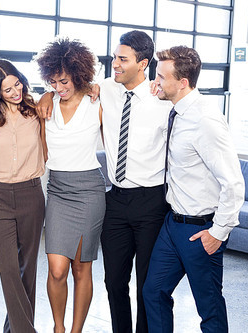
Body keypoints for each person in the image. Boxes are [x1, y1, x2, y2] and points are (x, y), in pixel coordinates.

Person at [143, 46, 245, 333]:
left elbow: (233, 182)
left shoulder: (205, 120)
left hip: (201, 229)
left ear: (183, 82)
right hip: (172, 224)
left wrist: (219, 232)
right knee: (154, 292)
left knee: (209, 308)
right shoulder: (174, 109)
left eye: (161, 76)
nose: (156, 81)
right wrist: (159, 89)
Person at [98, 31, 171, 333]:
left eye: (122, 59)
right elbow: (69, 87)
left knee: (147, 285)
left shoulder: (163, 100)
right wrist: (50, 95)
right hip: (115, 200)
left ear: (143, 64)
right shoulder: (105, 88)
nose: (114, 64)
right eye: (114, 57)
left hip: (151, 202)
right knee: (114, 281)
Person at [35, 37, 106, 333]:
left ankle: (75, 331)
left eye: (63, 81)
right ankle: (58, 328)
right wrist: (45, 95)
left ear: (78, 75)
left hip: (89, 190)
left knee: (81, 268)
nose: (58, 88)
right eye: (52, 82)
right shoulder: (46, 103)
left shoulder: (96, 102)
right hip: (58, 190)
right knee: (57, 268)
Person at [0, 59, 46, 333]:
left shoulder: (37, 108)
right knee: (9, 270)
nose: (15, 91)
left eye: (17, 83)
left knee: (27, 271)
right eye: (7, 90)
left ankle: (13, 329)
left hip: (31, 193)